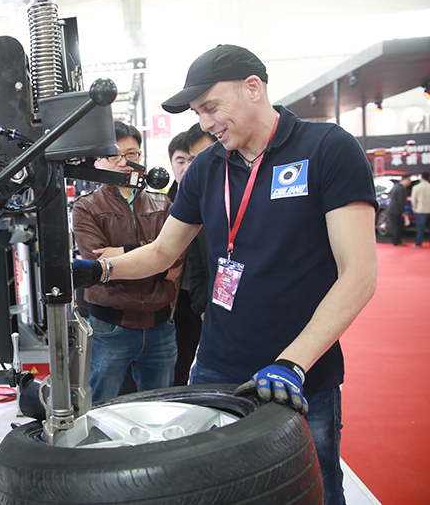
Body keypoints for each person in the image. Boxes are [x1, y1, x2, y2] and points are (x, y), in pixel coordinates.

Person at [74, 45, 377, 505]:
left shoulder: (327, 149)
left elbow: (358, 274)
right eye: (198, 113)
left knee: (311, 491)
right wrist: (101, 267)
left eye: (211, 108)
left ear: (253, 88)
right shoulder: (207, 169)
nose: (205, 124)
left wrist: (292, 363)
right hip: (216, 370)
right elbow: (163, 251)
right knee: (219, 492)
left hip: (300, 377)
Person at [71, 121, 181, 402]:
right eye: (114, 156)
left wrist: (120, 259)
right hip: (110, 327)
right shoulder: (87, 206)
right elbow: (96, 260)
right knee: (100, 408)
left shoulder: (163, 204)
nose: (124, 163)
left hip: (160, 326)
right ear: (99, 161)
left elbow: (175, 261)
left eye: (131, 154)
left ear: (141, 157)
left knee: (160, 409)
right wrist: (155, 256)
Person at [170, 123, 216, 385]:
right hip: (183, 297)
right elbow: (162, 252)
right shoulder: (167, 202)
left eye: (196, 159)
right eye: (184, 160)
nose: (190, 167)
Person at [387, 174, 412, 246]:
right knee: (397, 226)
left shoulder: (397, 186)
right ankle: (397, 241)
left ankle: (396, 241)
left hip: (393, 209)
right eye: (409, 180)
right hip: (396, 210)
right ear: (405, 179)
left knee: (396, 226)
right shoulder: (401, 188)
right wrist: (403, 212)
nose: (410, 182)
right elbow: (401, 201)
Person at [411, 172, 430, 247]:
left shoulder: (416, 187)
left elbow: (414, 199)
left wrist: (414, 208)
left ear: (421, 177)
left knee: (420, 228)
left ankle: (418, 243)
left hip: (420, 210)